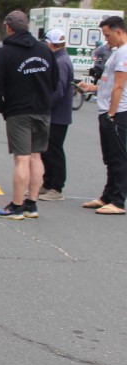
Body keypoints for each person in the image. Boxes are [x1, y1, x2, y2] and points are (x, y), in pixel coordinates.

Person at [0, 10, 59, 219]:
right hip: (42, 110)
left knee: (21, 159)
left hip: (19, 111)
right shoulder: (45, 50)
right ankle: (31, 204)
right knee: (36, 156)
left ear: (9, 28)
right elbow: (54, 81)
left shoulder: (5, 53)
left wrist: (4, 108)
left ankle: (16, 206)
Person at [74, 15, 127, 215]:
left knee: (119, 157)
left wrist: (112, 114)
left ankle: (118, 201)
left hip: (117, 112)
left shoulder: (124, 53)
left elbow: (119, 86)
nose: (106, 39)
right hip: (107, 110)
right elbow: (109, 83)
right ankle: (108, 196)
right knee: (110, 157)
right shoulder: (116, 52)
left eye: (108, 35)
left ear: (118, 31)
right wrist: (92, 88)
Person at [39, 29, 74, 201]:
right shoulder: (59, 59)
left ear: (51, 45)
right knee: (46, 150)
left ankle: (56, 187)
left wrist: (43, 106)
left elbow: (57, 91)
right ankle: (47, 183)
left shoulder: (61, 62)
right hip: (56, 114)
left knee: (54, 151)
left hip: (57, 115)